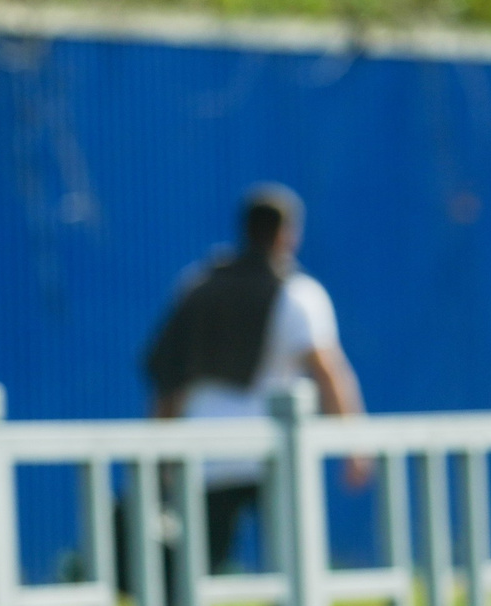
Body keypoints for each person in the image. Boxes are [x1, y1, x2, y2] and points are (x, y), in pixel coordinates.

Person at [141, 183, 369, 574]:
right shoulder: (297, 294)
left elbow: (171, 377)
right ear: (287, 233)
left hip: (205, 449)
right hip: (275, 449)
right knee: (292, 566)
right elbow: (327, 370)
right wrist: (354, 443)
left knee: (193, 568)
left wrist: (160, 448)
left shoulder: (198, 285)